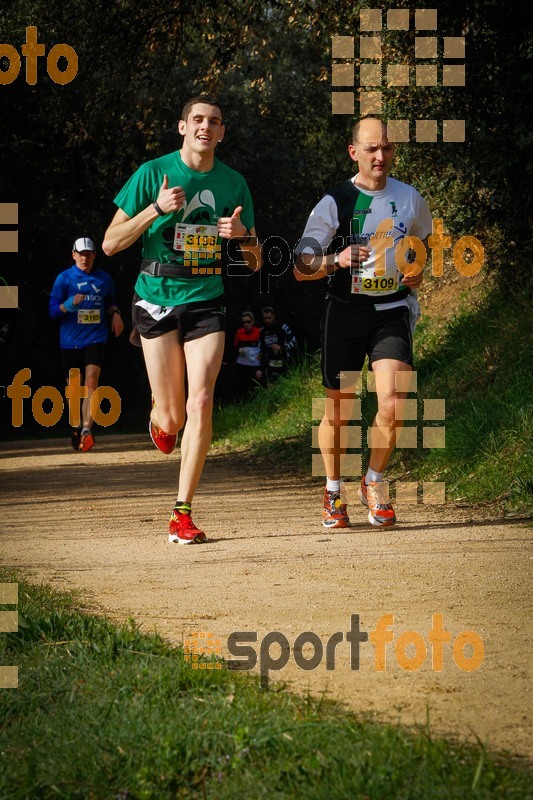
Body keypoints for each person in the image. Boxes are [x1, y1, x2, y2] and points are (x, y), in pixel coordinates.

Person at [102, 96, 259, 545]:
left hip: (207, 300)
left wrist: (243, 235)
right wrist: (155, 209)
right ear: (182, 127)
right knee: (172, 417)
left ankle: (181, 512)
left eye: (214, 122)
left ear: (222, 132)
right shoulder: (153, 173)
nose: (205, 127)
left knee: (202, 401)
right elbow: (110, 243)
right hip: (155, 298)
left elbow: (255, 262)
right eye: (197, 120)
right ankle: (160, 420)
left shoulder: (234, 183)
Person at [294, 116, 432, 529]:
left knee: (395, 401)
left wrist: (418, 269)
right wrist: (333, 260)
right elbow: (302, 267)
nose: (380, 156)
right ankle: (333, 491)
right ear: (354, 152)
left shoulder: (410, 198)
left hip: (391, 310)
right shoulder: (335, 201)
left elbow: (422, 242)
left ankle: (373, 482)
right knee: (340, 410)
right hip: (345, 311)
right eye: (371, 148)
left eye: (387, 148)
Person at [49, 237, 124, 452]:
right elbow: (52, 311)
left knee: (91, 381)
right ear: (73, 255)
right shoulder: (64, 279)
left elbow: (110, 302)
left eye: (89, 255)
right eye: (81, 254)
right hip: (70, 341)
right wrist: (69, 304)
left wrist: (116, 314)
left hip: (95, 337)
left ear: (94, 257)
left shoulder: (104, 279)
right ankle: (75, 425)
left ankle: (86, 430)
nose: (85, 258)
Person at [258, 306, 298, 385]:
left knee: (286, 385)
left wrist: (281, 347)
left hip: (284, 361)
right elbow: (261, 348)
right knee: (271, 386)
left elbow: (294, 341)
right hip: (270, 363)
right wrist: (260, 367)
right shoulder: (262, 331)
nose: (267, 320)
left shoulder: (283, 327)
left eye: (269, 318)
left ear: (273, 316)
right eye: (265, 318)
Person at [233, 311, 262, 395]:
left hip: (255, 365)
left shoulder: (259, 332)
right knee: (242, 388)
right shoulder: (239, 333)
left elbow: (263, 349)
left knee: (255, 388)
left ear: (253, 321)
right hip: (242, 366)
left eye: (248, 322)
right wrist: (238, 350)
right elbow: (234, 348)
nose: (246, 324)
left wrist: (260, 367)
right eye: (244, 322)